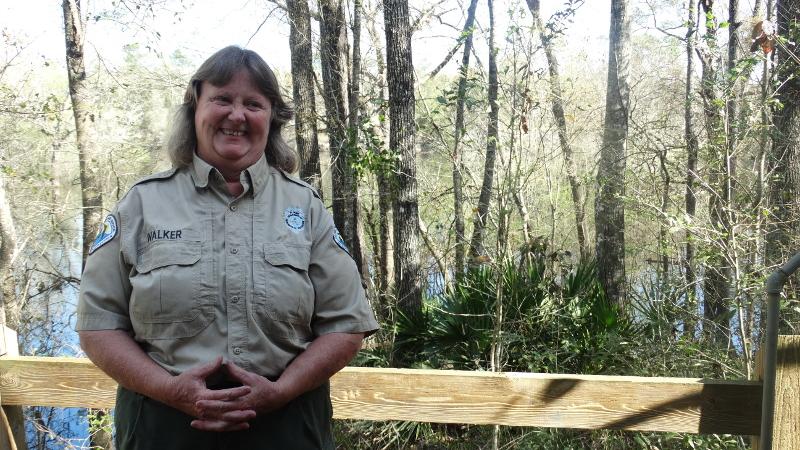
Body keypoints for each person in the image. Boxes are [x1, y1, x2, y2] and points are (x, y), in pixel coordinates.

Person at [76, 45, 379, 450]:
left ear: (271, 119)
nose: (237, 115)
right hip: (163, 428)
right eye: (222, 98)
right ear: (195, 107)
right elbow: (98, 324)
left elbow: (346, 325)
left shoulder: (305, 207)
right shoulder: (141, 205)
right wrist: (170, 390)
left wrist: (282, 389)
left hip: (285, 427)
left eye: (253, 103)